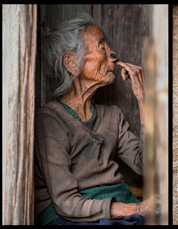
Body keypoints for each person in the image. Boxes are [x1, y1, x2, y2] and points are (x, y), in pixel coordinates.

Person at [35, 13, 150, 225]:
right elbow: (66, 202)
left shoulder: (112, 115)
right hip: (74, 217)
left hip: (122, 207)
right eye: (102, 47)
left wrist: (143, 100)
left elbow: (147, 166)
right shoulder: (50, 121)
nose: (113, 55)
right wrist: (136, 208)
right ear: (71, 63)